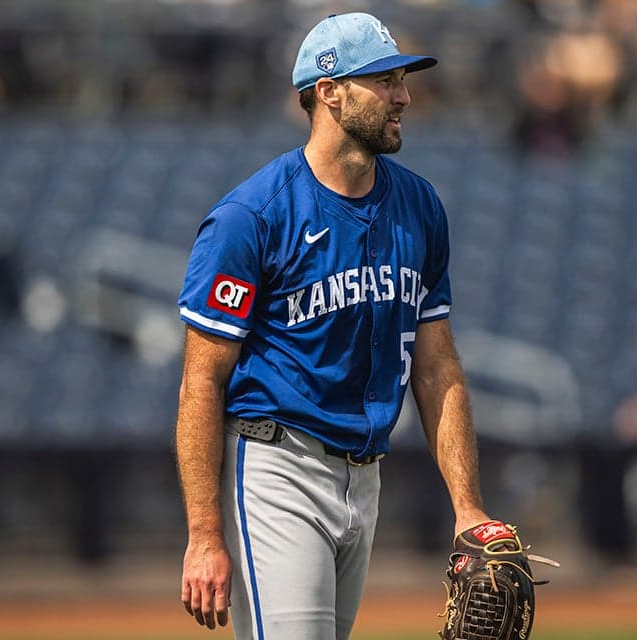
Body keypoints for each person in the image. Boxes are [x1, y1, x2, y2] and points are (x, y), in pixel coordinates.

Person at [173, 13, 490, 640]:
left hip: (365, 477)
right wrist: (205, 536)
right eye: (384, 79)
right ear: (329, 91)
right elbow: (200, 383)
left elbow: (436, 367)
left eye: (402, 78)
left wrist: (467, 507)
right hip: (276, 468)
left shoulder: (420, 205)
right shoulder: (251, 216)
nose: (402, 95)